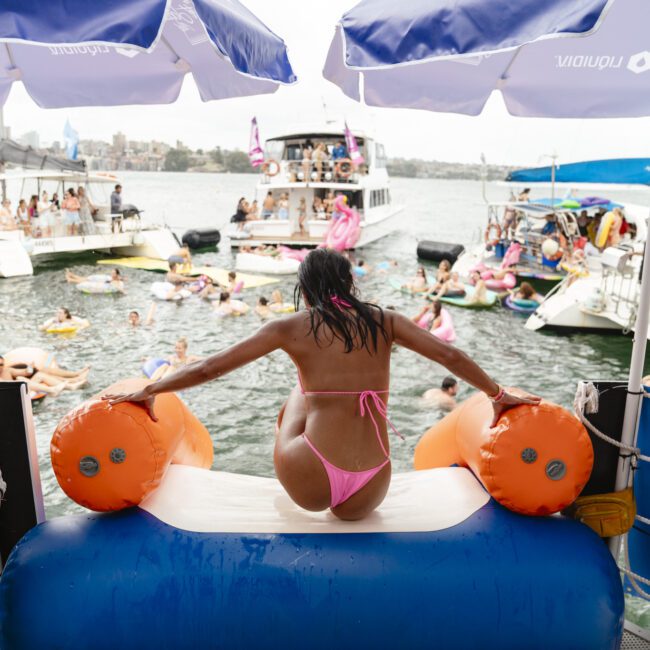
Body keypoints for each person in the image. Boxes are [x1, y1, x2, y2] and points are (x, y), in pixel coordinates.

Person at [105, 249, 538, 521]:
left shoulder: (290, 326)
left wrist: (149, 390)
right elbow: (451, 356)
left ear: (305, 287)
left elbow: (210, 368)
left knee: (302, 389)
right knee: (324, 395)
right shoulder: (385, 322)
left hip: (308, 475)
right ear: (349, 283)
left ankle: (306, 408)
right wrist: (499, 396)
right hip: (372, 484)